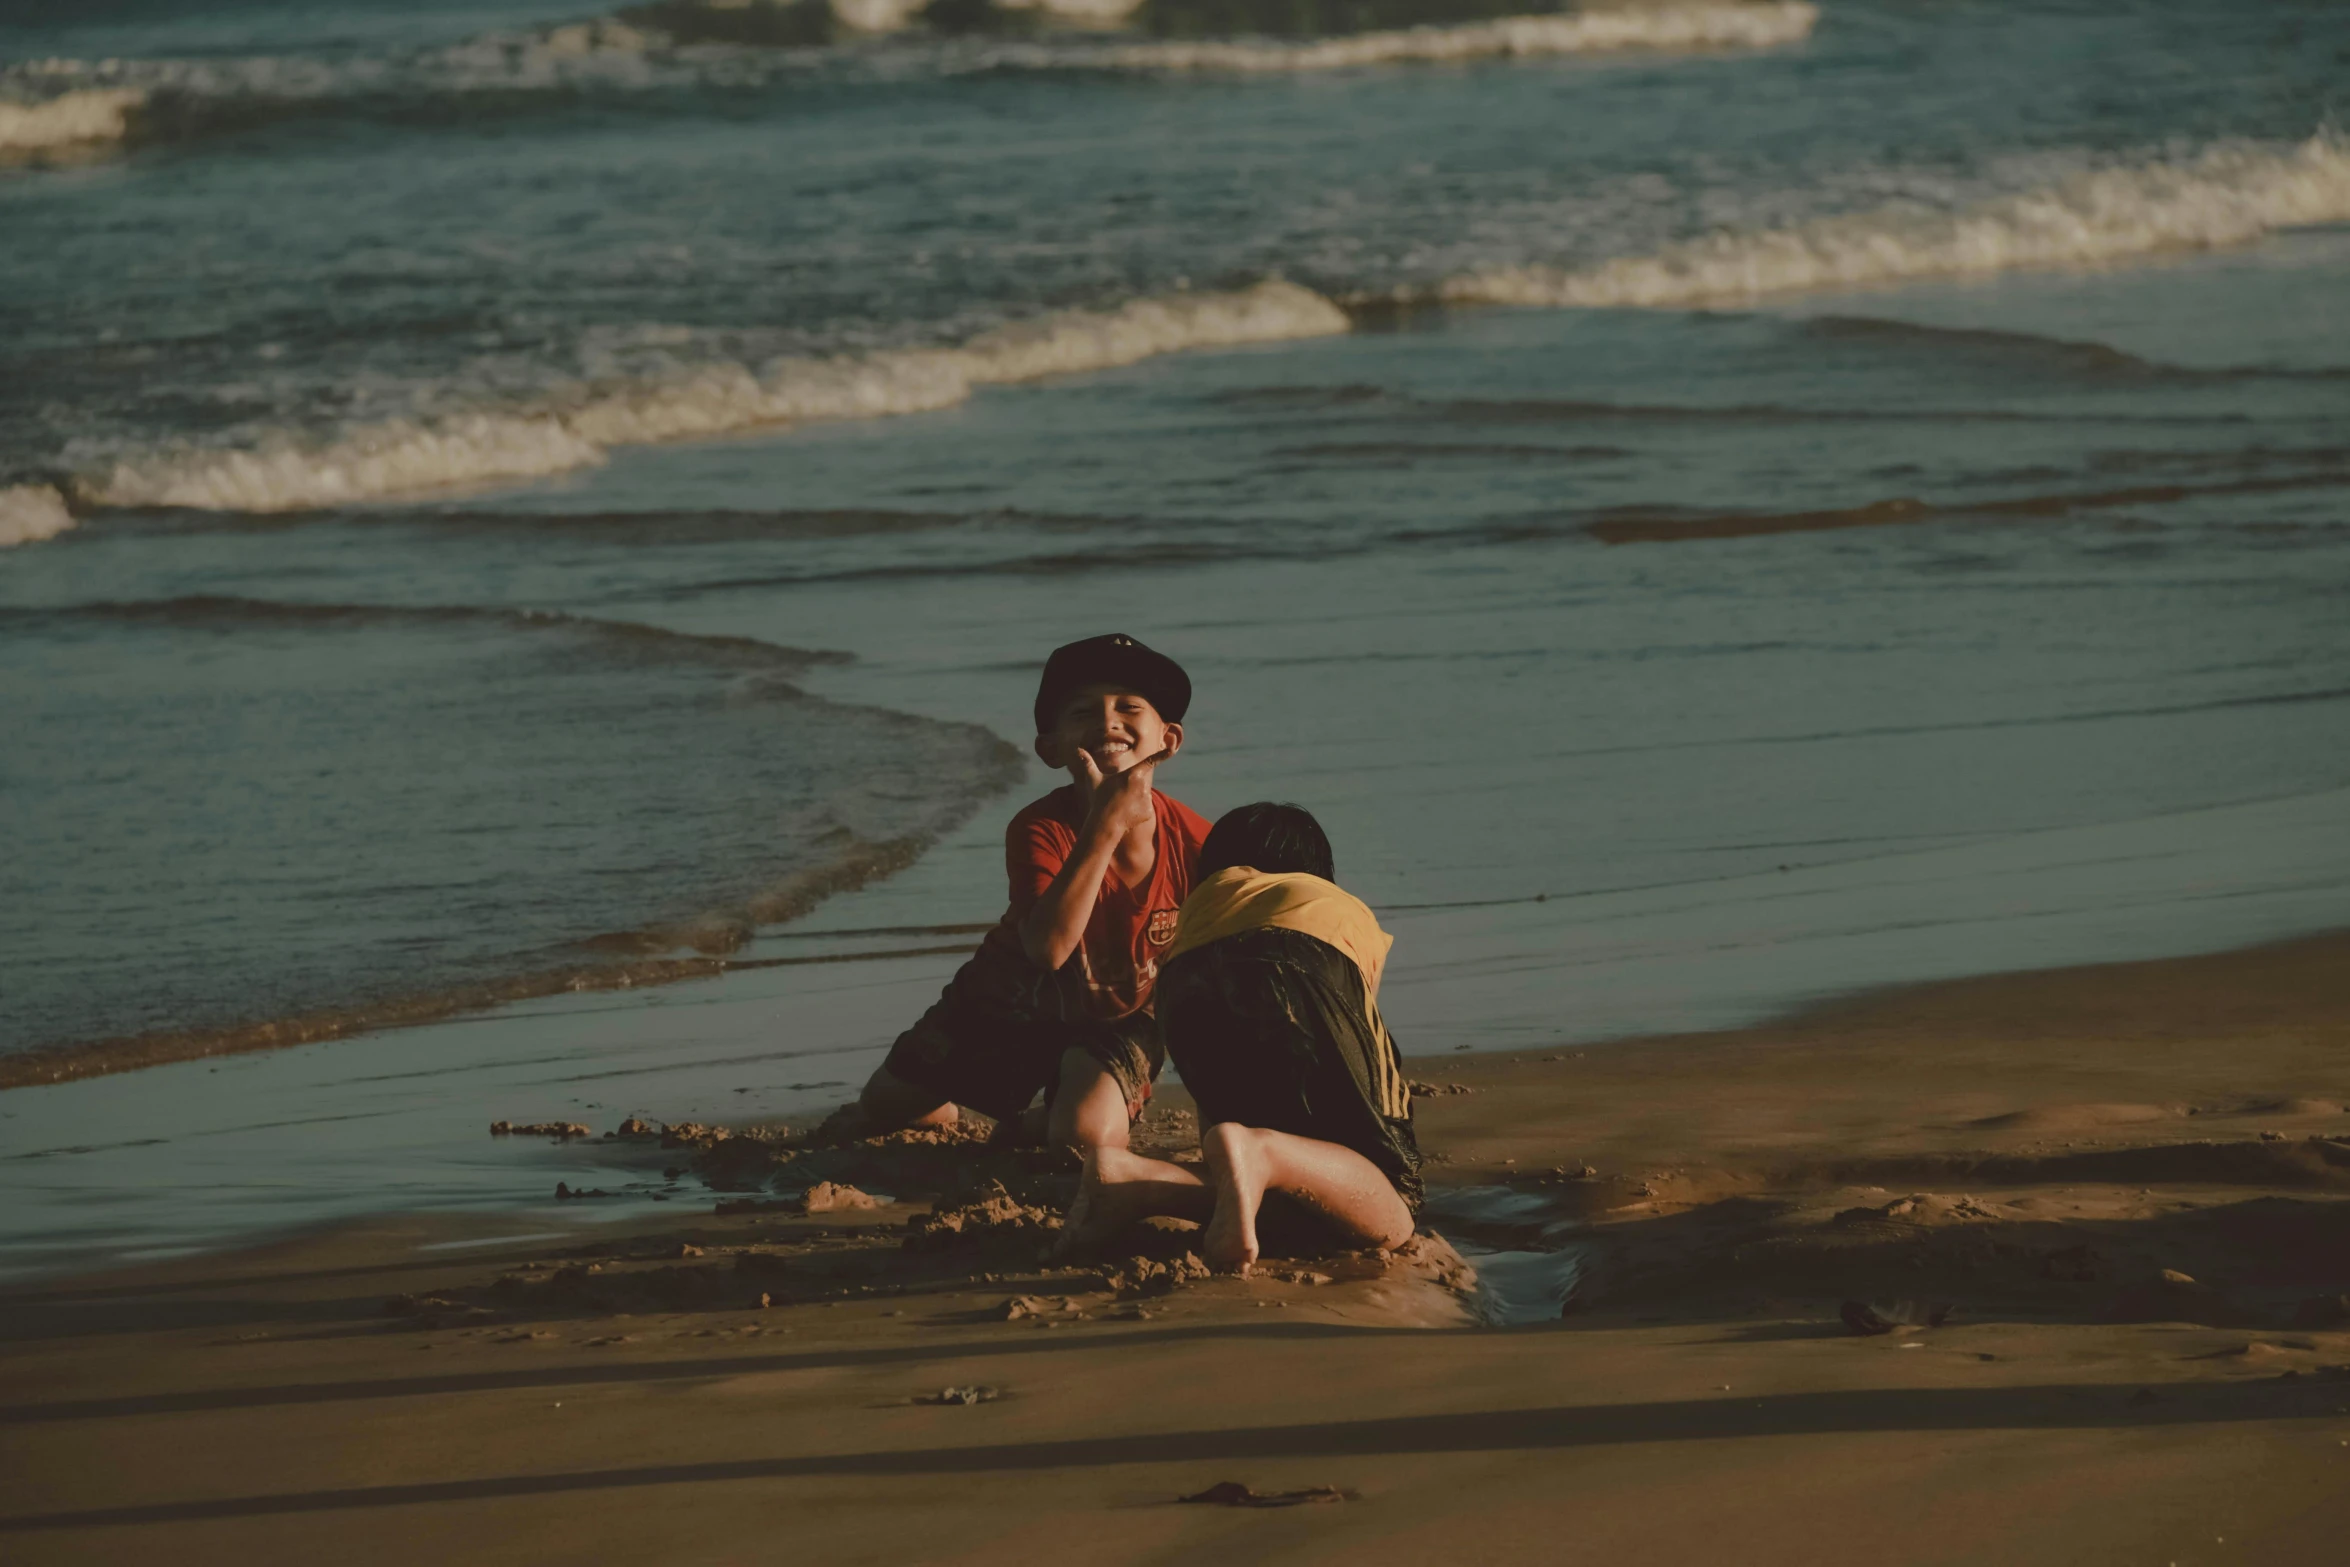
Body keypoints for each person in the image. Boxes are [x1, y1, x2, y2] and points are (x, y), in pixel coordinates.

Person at [856, 633, 1211, 1151]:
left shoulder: (1197, 840)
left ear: (1169, 739)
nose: (1108, 721)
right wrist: (1104, 827)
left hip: (1120, 1016)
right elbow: (1048, 949)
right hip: (1010, 997)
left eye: (1128, 707)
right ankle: (956, 1102)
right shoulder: (1040, 827)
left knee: (1083, 1139)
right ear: (1051, 749)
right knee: (883, 1106)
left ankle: (1037, 1124)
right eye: (1083, 711)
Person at [1056, 801, 1420, 1273]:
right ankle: (1262, 1153)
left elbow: (1219, 1106)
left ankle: (1131, 1178)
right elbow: (1356, 1039)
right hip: (1304, 959)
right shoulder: (1329, 907)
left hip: (1182, 972)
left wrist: (1224, 1136)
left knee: (1266, 1175)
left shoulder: (1201, 910)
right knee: (1394, 1196)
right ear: (1320, 874)